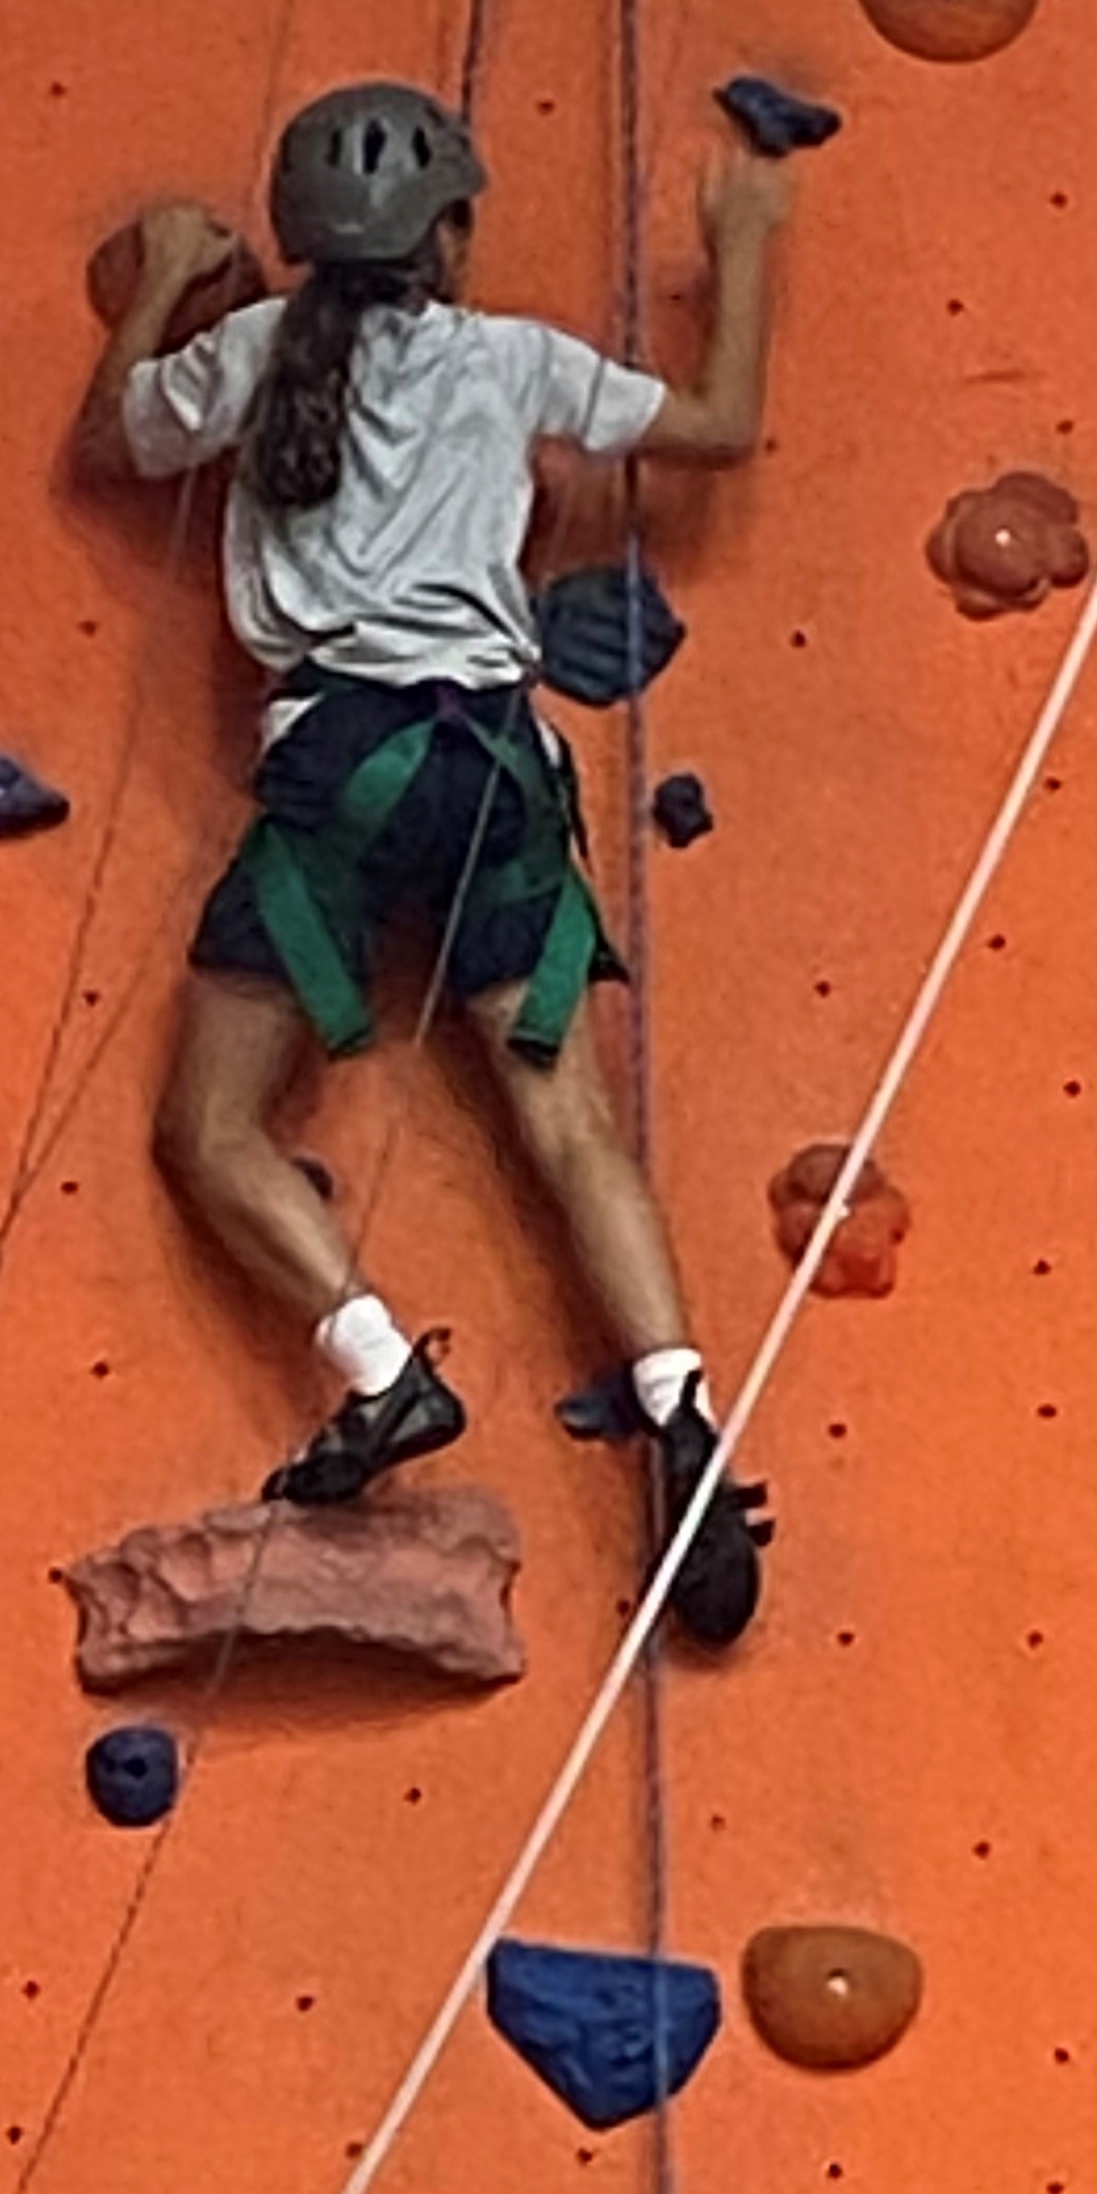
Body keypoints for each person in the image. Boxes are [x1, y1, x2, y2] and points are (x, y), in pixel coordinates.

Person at [73, 79, 794, 1647]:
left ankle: (382, 1371)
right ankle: (680, 1413)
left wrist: (156, 290)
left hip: (339, 772)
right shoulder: (510, 358)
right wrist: (743, 246)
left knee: (210, 1129)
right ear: (451, 232)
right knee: (569, 1121)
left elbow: (112, 439)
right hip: (487, 776)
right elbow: (722, 428)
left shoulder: (255, 357)